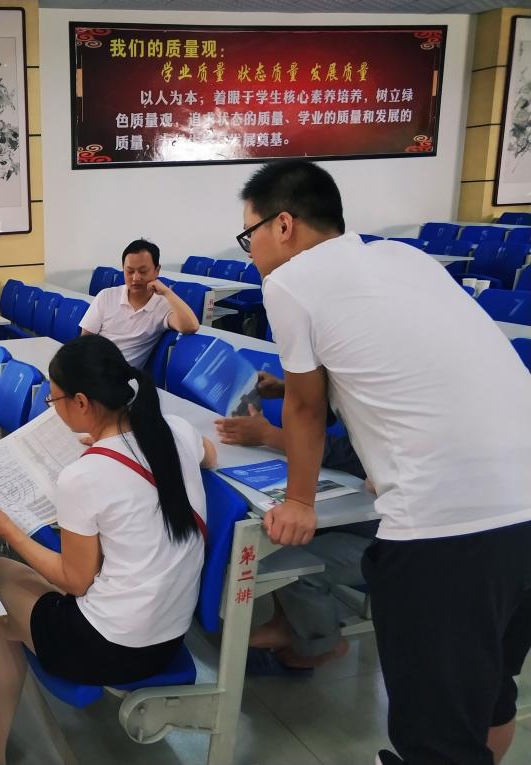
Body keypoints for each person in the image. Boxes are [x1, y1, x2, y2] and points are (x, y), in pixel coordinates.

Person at [238, 159, 531, 765]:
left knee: (437, 738)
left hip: (447, 528)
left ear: (283, 226)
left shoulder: (289, 282)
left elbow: (305, 407)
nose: (251, 253)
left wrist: (299, 502)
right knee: (488, 696)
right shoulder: (404, 258)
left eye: (250, 235)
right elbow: (409, 361)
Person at [0, 334, 217, 765]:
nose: (52, 408)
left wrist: (8, 529)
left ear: (81, 402)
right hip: (167, 635)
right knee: (11, 597)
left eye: (54, 399)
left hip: (109, 646)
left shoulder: (85, 476)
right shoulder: (174, 431)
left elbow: (76, 581)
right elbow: (211, 456)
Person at [214, 374, 375, 671]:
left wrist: (269, 436)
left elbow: (353, 456)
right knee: (277, 531)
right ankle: (286, 623)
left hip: (391, 535)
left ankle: (323, 644)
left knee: (290, 561)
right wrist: (286, 389)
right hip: (360, 512)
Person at [80, 239, 200, 369]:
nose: (135, 278)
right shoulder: (106, 296)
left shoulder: (163, 305)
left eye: (143, 271)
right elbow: (85, 340)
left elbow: (191, 326)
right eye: (129, 271)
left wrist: (167, 292)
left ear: (157, 270)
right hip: (91, 368)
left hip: (120, 376)